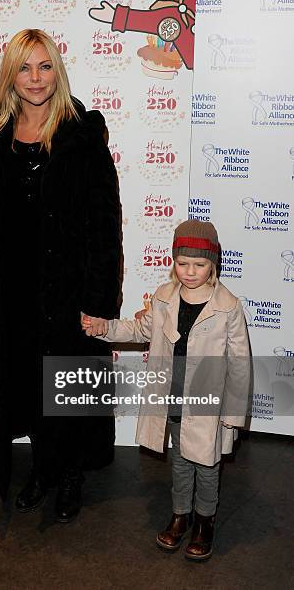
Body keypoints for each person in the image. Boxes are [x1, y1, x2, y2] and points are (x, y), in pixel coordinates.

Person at [0, 29, 122, 522]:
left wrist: (98, 299)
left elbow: (104, 222)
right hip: (10, 290)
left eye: (45, 66)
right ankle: (42, 471)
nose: (35, 78)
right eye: (25, 67)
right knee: (27, 387)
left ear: (57, 70)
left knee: (69, 387)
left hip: (67, 289)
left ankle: (69, 474)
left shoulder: (83, 134)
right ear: (10, 73)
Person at [82, 219, 251, 559]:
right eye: (183, 263)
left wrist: (233, 414)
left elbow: (240, 364)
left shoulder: (228, 306)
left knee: (206, 465)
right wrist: (105, 327)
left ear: (213, 264)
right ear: (173, 262)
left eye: (200, 265)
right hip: (171, 398)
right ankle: (180, 516)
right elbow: (139, 330)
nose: (190, 271)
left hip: (208, 405)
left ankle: (205, 521)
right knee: (180, 462)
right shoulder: (163, 297)